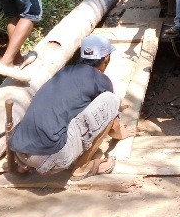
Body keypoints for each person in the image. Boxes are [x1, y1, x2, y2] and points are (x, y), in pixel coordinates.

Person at [9, 34, 136, 180]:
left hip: (19, 151)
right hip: (50, 159)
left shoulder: (65, 72)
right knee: (112, 100)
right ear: (106, 58)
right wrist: (120, 133)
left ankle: (23, 167)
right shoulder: (100, 80)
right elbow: (113, 125)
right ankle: (82, 168)